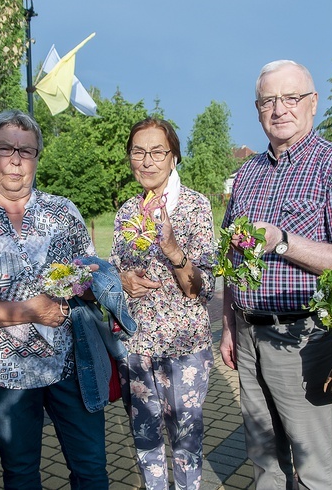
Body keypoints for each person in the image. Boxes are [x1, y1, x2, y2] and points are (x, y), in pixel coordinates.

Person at [219, 60, 332, 489]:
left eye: (291, 98)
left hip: (305, 336)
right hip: (249, 335)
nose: (279, 108)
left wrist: (284, 241)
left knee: (313, 465)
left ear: (313, 104)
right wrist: (230, 323)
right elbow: (233, 257)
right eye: (269, 100)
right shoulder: (247, 174)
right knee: (264, 457)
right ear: (257, 109)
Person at [0, 109, 108, 490]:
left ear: (36, 158)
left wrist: (102, 279)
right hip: (6, 374)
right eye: (4, 148)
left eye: (26, 151)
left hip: (70, 366)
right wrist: (29, 310)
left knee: (92, 470)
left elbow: (89, 272)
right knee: (21, 475)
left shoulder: (63, 211)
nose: (15, 159)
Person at [110, 118, 216, 490]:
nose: (147, 160)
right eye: (138, 152)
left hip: (184, 346)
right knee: (146, 441)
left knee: (186, 443)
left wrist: (172, 249)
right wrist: (121, 281)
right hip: (136, 348)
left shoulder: (195, 207)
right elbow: (114, 276)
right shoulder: (125, 212)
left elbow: (202, 290)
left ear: (174, 158)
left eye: (158, 151)